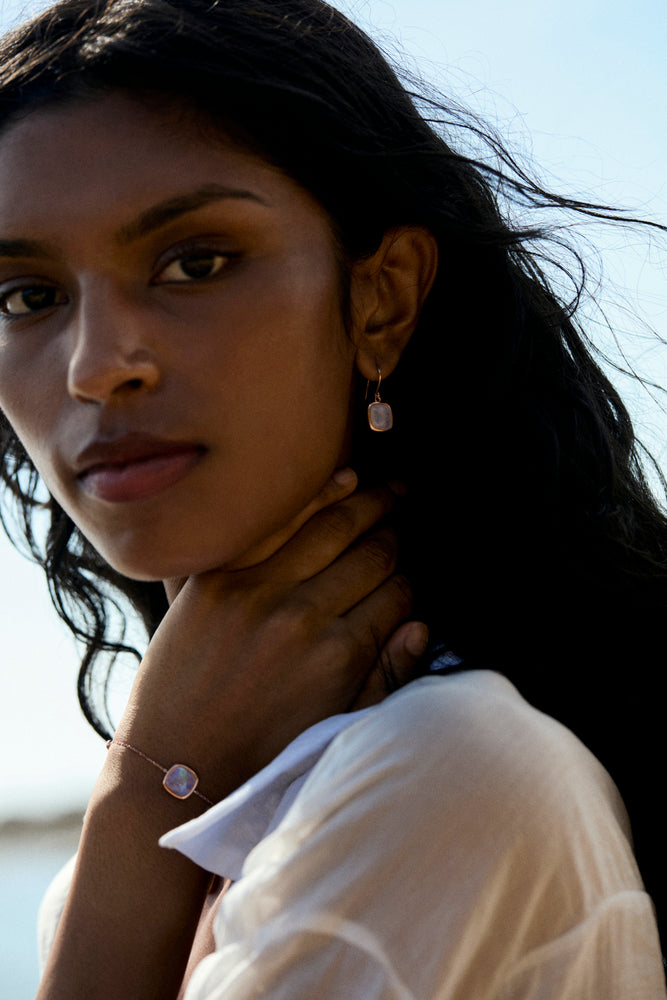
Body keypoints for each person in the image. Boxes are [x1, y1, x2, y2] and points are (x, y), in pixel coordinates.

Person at [0, 0, 665, 995]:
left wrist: (141, 802)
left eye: (196, 262)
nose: (98, 366)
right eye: (25, 296)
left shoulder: (442, 769)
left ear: (381, 300)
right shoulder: (219, 817)